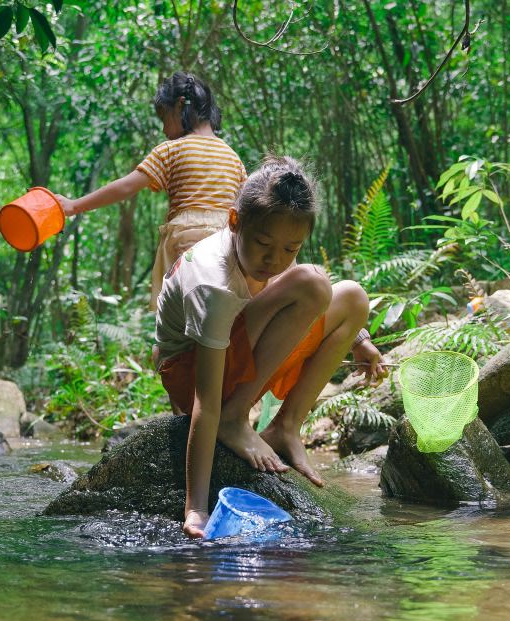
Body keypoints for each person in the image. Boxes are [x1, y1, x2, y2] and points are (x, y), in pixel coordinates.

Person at [153, 156, 387, 538]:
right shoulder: (213, 284)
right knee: (311, 282)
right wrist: (196, 508)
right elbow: (204, 401)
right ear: (235, 222)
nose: (274, 260)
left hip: (238, 348)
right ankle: (237, 417)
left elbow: (300, 295)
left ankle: (286, 426)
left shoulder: (266, 256)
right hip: (191, 370)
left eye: (290, 249)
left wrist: (359, 338)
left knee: (353, 299)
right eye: (264, 244)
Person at [53, 72, 246, 309]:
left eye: (164, 118)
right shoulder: (233, 157)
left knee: (179, 322)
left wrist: (74, 205)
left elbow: (125, 186)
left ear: (179, 106)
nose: (164, 129)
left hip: (186, 241)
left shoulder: (171, 150)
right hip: (228, 243)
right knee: (219, 316)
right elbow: (246, 205)